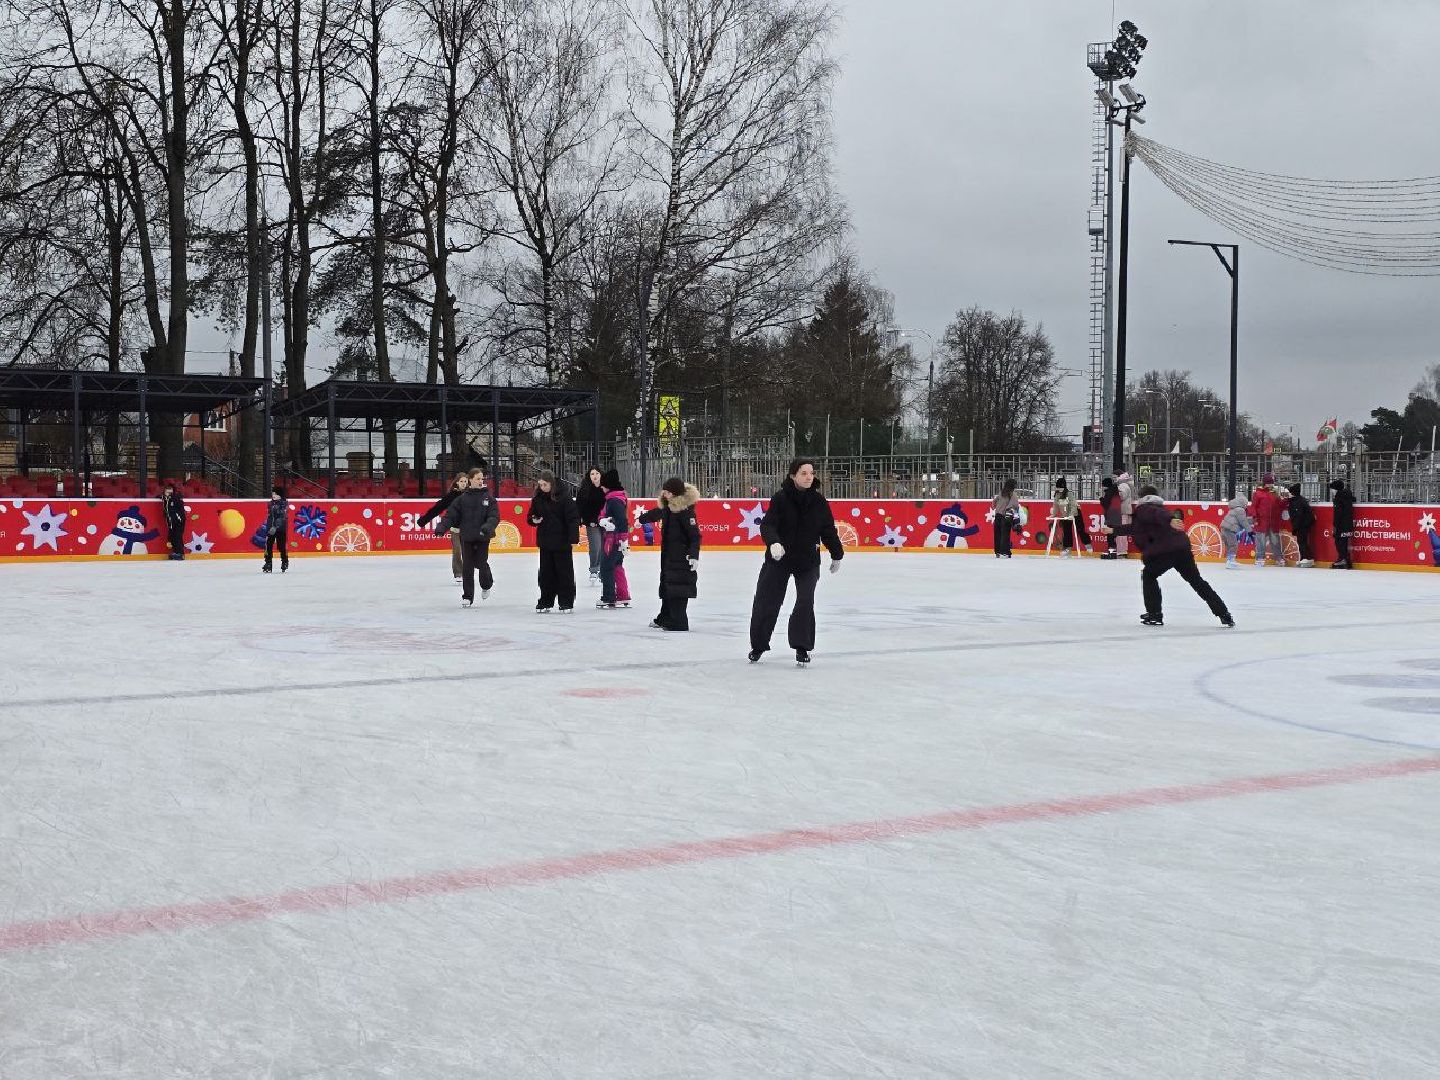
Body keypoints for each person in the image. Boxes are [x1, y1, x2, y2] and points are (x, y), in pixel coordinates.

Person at [748, 458, 844, 666]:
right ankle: (758, 645)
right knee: (767, 601)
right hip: (779, 558)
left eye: (811, 473)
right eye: (804, 473)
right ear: (793, 475)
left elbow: (827, 530)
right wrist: (773, 543)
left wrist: (837, 554)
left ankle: (802, 647)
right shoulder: (780, 498)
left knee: (805, 601)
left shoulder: (819, 502)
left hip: (807, 560)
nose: (809, 477)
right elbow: (768, 525)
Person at [1102, 485, 1233, 628]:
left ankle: (1154, 614)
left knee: (1149, 575)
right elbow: (1135, 528)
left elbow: (1154, 514)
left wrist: (1170, 519)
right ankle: (1223, 613)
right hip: (1182, 550)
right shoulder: (1160, 508)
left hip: (1165, 552)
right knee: (1197, 581)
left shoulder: (1146, 508)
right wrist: (1113, 530)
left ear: (1142, 498)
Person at [637, 477, 701, 631]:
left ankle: (679, 622)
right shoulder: (668, 507)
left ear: (675, 493)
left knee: (678, 590)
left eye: (668, 492)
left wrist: (693, 555)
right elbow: (656, 513)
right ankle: (665, 617)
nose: (664, 494)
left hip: (682, 558)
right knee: (667, 587)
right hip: (669, 557)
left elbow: (695, 536)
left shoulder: (685, 512)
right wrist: (642, 519)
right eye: (664, 491)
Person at [435, 467, 498, 606]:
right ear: (470, 480)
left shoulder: (489, 498)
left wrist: (488, 526)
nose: (481, 481)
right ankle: (468, 596)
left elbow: (494, 516)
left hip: (482, 536)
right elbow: (450, 515)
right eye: (478, 479)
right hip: (467, 537)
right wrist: (441, 527)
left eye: (482, 479)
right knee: (467, 567)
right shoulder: (462, 499)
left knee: (481, 563)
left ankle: (486, 584)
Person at [527, 471, 580, 613]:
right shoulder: (537, 498)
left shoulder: (564, 497)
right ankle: (546, 601)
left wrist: (573, 538)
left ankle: (566, 602)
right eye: (540, 485)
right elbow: (531, 516)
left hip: (562, 542)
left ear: (551, 483)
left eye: (545, 484)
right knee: (546, 574)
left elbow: (573, 519)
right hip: (545, 541)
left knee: (564, 573)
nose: (542, 487)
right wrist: (534, 519)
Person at [418, 471, 470, 581]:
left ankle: (469, 572)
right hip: (455, 529)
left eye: (465, 481)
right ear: (457, 482)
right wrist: (423, 521)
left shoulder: (470, 495)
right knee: (457, 550)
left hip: (468, 529)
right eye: (461, 481)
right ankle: (458, 573)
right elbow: (437, 508)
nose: (463, 483)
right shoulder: (451, 496)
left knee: (467, 552)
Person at [596, 468, 631, 609]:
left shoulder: (614, 500)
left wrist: (623, 539)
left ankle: (609, 597)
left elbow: (622, 520)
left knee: (606, 567)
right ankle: (623, 595)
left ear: (609, 486)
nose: (602, 488)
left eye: (603, 485)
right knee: (617, 566)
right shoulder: (616, 498)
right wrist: (603, 520)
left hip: (613, 540)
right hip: (616, 539)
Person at [576, 466, 606, 588]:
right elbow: (580, 506)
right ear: (589, 476)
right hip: (591, 523)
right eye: (592, 473)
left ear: (601, 474)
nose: (595, 476)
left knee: (605, 547)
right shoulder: (585, 489)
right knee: (595, 547)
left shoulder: (606, 488)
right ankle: (594, 570)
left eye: (597, 473)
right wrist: (585, 519)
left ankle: (603, 571)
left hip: (606, 522)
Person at [1248, 474, 1284, 566]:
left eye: (1272, 483)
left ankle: (1279, 558)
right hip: (1261, 521)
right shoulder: (1258, 493)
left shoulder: (1274, 493)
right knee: (1261, 541)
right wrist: (1255, 517)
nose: (1271, 485)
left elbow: (1280, 505)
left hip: (1273, 522)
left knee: (1275, 541)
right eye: (1269, 483)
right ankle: (1260, 558)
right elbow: (1253, 507)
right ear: (1265, 483)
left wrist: (1286, 500)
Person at [1287, 483, 1315, 568]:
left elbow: (1298, 516)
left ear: (1293, 493)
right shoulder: (1297, 500)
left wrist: (1296, 527)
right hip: (1303, 524)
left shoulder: (1297, 502)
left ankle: (1307, 557)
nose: (1289, 494)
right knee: (1302, 541)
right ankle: (1305, 557)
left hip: (1302, 525)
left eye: (1290, 492)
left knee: (1302, 541)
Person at [262, 485, 289, 573]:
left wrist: (275, 526)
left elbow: (282, 517)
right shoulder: (270, 503)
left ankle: (284, 561)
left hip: (280, 528)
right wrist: (269, 527)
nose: (273, 495)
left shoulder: (283, 504)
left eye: (276, 494)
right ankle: (268, 563)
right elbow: (270, 517)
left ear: (280, 495)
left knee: (281, 546)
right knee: (268, 546)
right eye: (273, 494)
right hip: (270, 528)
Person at [1329, 478, 1356, 569]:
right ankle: (1345, 560)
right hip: (1347, 524)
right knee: (1343, 542)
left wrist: (1335, 525)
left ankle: (1343, 559)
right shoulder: (1346, 496)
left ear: (1336, 489)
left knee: (1340, 542)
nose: (1332, 491)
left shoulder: (1339, 498)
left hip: (1341, 525)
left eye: (1333, 489)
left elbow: (1338, 514)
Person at [991, 479, 1020, 559]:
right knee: (1005, 535)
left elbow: (994, 501)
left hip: (998, 516)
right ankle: (1005, 552)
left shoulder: (1001, 493)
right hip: (1006, 516)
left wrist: (996, 507)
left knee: (997, 534)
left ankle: (997, 551)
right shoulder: (1012, 494)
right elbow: (1014, 505)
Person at [1051, 477, 1080, 556]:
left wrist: (1071, 514)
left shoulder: (1069, 494)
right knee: (1065, 531)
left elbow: (1073, 505)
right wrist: (1054, 514)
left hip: (1073, 514)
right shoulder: (1057, 494)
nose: (1059, 489)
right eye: (1058, 487)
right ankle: (1066, 548)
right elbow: (1055, 505)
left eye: (1060, 487)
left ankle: (1068, 549)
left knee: (1068, 531)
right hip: (1065, 515)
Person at [1220, 494, 1250, 568]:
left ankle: (1229, 560)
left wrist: (1251, 520)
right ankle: (1231, 561)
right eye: (1246, 504)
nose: (1246, 506)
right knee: (1234, 545)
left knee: (1229, 546)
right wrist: (1250, 530)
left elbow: (1241, 519)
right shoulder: (1240, 510)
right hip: (1229, 529)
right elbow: (1243, 521)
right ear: (1243, 503)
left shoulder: (1233, 509)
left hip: (1224, 529)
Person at [161, 482, 186, 561]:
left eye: (170, 490)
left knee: (178, 537)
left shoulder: (176, 497)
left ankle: (180, 553)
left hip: (178, 521)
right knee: (173, 537)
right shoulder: (165, 498)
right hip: (170, 522)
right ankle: (176, 552)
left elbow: (181, 505)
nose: (169, 491)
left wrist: (179, 519)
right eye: (167, 490)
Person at [1099, 476, 1122, 559]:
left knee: (1110, 534)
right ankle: (1112, 550)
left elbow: (1105, 504)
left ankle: (1111, 550)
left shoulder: (1109, 493)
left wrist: (1101, 498)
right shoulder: (1115, 491)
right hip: (1116, 514)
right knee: (1113, 533)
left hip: (1111, 514)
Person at [1115, 471, 1135, 556]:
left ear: (1119, 476)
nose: (1114, 478)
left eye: (1114, 476)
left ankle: (1122, 551)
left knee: (1121, 531)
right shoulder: (1126, 484)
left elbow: (1121, 496)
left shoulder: (1122, 485)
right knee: (1122, 531)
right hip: (1125, 510)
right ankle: (1122, 550)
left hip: (1122, 511)